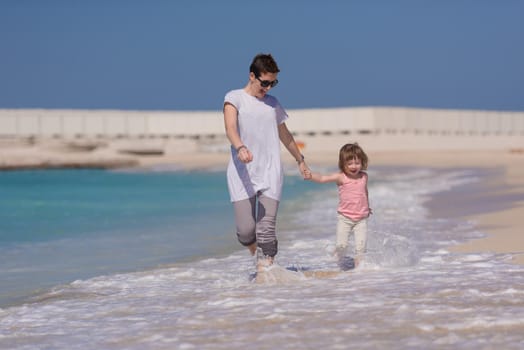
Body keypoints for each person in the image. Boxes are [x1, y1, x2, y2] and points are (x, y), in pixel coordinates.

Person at [223, 53, 310, 272]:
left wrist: (300, 160)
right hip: (242, 173)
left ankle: (266, 272)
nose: (269, 88)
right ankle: (258, 256)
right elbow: (230, 128)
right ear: (252, 76)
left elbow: (286, 135)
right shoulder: (234, 98)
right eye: (265, 83)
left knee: (267, 230)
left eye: (273, 83)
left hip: (271, 172)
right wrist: (240, 147)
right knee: (245, 231)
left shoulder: (273, 104)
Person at [304, 143, 371, 268]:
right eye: (349, 163)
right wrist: (311, 175)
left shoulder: (364, 177)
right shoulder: (341, 177)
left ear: (362, 162)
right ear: (343, 164)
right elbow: (323, 178)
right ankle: (338, 259)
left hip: (361, 219)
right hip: (345, 218)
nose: (353, 166)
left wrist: (368, 205)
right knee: (342, 246)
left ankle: (359, 272)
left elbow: (364, 191)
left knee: (361, 248)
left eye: (357, 163)